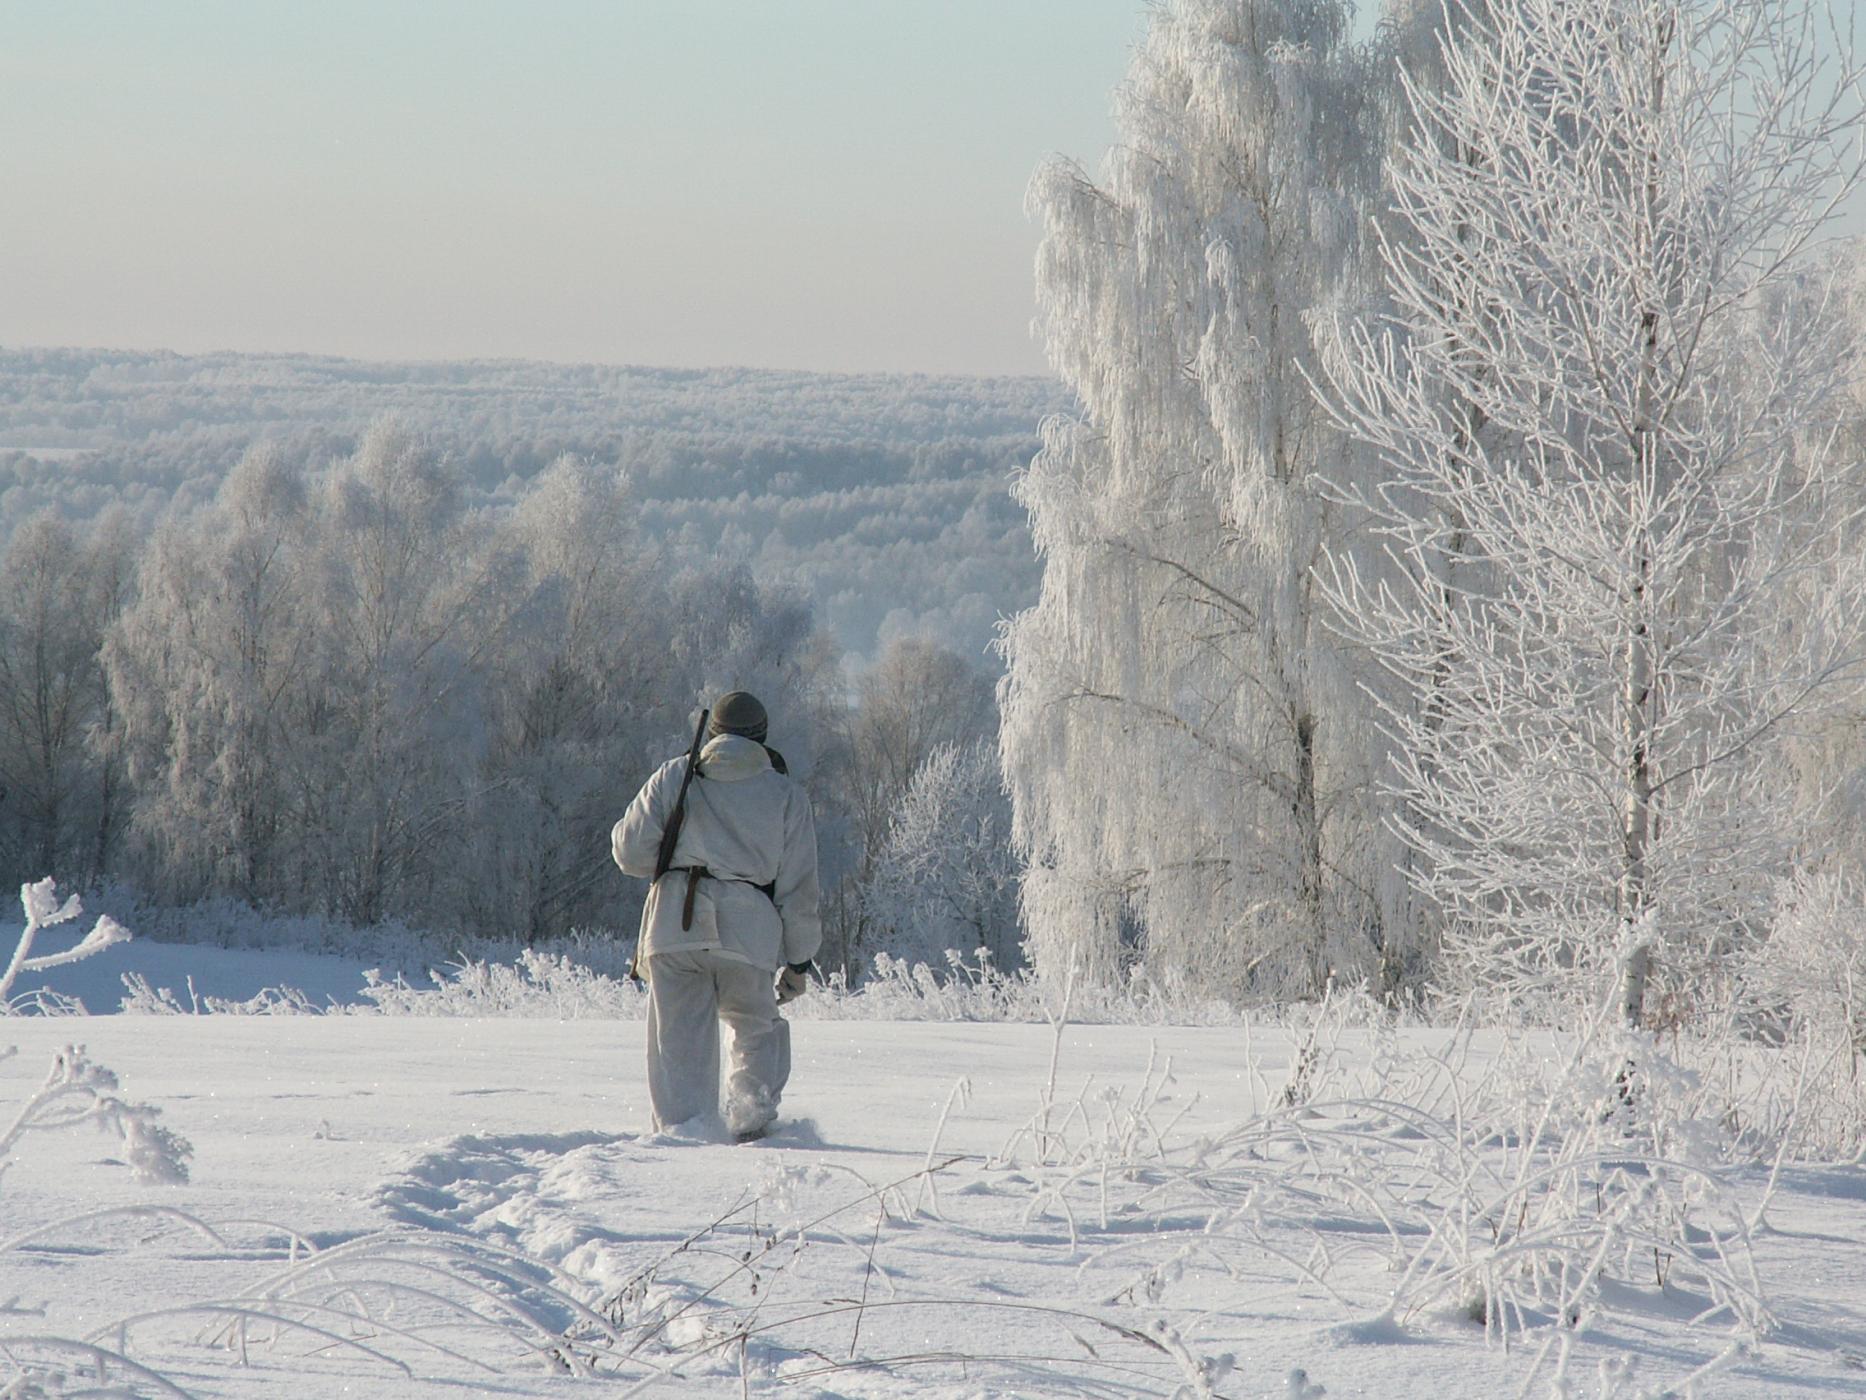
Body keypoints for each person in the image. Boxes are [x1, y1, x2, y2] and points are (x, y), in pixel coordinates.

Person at [612, 691, 821, 1139]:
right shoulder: (785, 794)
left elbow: (628, 852)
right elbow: (799, 889)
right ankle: (751, 1123)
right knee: (755, 1028)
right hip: (750, 933)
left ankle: (686, 1134)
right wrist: (799, 962)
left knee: (679, 1048)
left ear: (713, 734)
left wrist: (678, 860)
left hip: (674, 928)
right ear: (763, 739)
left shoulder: (675, 776)